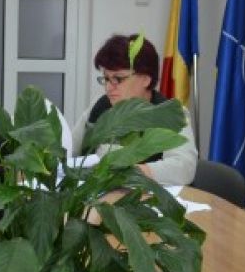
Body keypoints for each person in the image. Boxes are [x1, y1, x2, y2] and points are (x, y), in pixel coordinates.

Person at [69, 34, 197, 185]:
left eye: (118, 79)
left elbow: (184, 168)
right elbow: (69, 150)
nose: (108, 87)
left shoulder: (172, 114)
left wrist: (130, 173)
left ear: (146, 79)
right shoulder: (99, 105)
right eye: (106, 78)